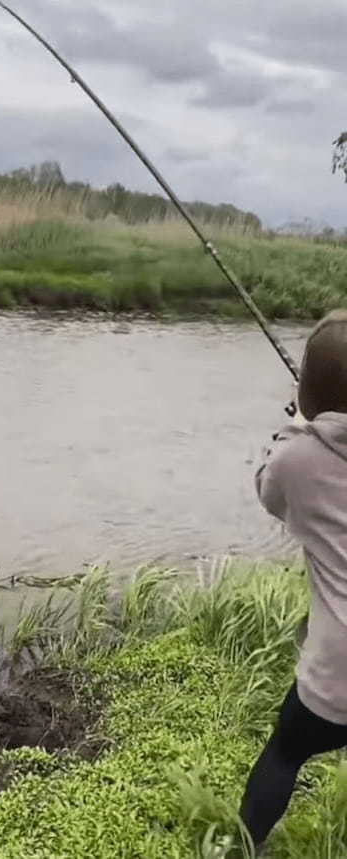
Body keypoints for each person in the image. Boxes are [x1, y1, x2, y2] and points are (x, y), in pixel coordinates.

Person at [239, 309, 347, 855]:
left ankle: (245, 846)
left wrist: (298, 424)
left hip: (338, 677)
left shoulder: (297, 460)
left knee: (285, 752)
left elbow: (268, 491)